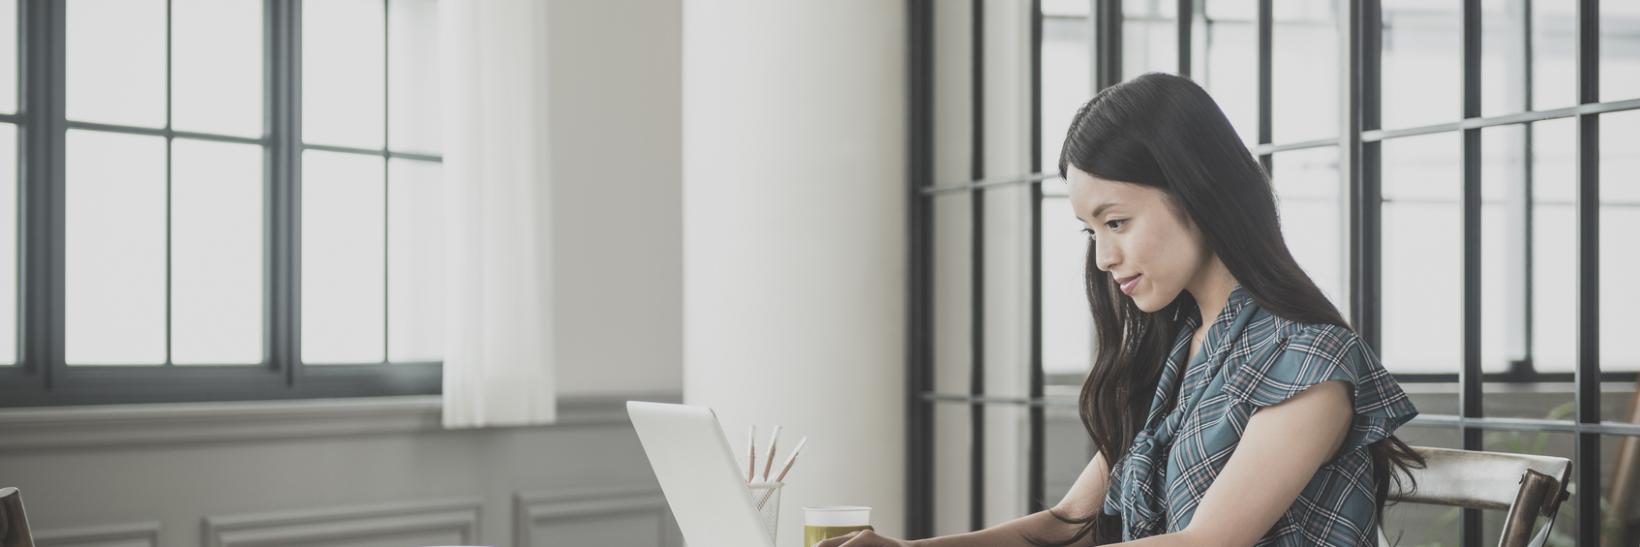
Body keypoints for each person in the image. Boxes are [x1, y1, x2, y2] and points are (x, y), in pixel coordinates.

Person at [818, 72, 1423, 547]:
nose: (1105, 257)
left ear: (1198, 193)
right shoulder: (1177, 350)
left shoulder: (1310, 361)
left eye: (1117, 222)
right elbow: (1068, 525)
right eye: (1091, 232)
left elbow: (1205, 543)